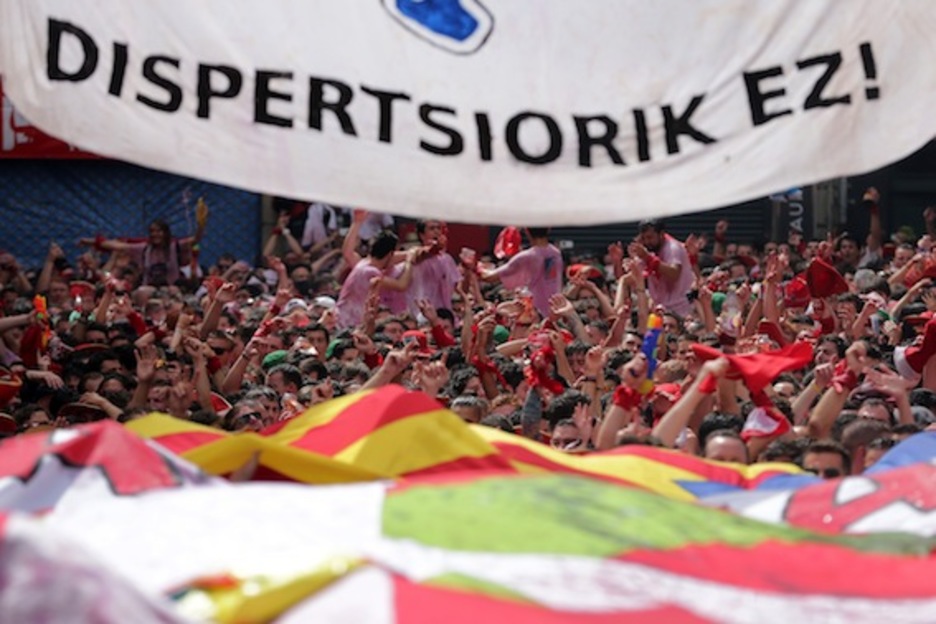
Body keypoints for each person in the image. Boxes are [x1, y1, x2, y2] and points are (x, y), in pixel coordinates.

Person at [79, 216, 205, 287]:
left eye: (159, 231)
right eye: (152, 231)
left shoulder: (175, 246)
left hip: (172, 288)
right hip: (148, 289)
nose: (156, 234)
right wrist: (92, 242)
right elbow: (118, 245)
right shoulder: (143, 249)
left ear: (166, 233)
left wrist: (201, 225)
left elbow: (195, 239)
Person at [482, 227, 563, 318]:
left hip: (535, 315)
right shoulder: (556, 253)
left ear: (527, 231)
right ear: (549, 229)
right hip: (556, 311)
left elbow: (489, 277)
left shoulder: (526, 256)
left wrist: (476, 266)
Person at [627, 219, 695, 317]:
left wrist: (648, 258)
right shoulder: (649, 250)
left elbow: (674, 274)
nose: (647, 241)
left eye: (650, 237)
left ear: (661, 234)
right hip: (659, 310)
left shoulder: (673, 248)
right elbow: (634, 278)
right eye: (644, 238)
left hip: (681, 312)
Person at [407, 219, 462, 316]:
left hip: (445, 314)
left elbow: (459, 290)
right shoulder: (414, 252)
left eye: (438, 228)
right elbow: (422, 254)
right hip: (422, 313)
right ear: (421, 235)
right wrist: (435, 247)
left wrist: (469, 271)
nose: (436, 231)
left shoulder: (447, 259)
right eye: (432, 228)